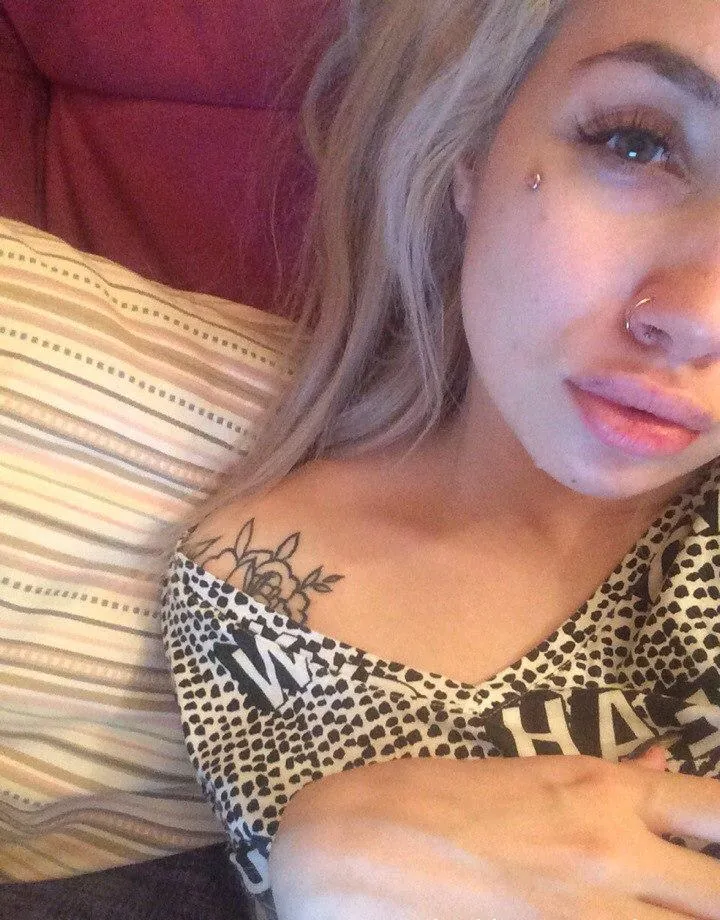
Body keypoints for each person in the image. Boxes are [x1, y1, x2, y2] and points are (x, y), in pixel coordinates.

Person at [160, 0, 720, 916]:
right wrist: (328, 865)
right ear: (471, 148)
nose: (700, 318)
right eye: (636, 144)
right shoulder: (265, 601)